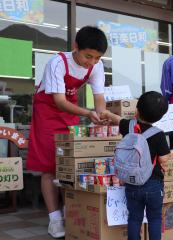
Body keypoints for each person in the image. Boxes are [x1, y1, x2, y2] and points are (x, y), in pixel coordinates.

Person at [27, 26, 108, 238]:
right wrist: (88, 114)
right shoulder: (58, 62)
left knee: (70, 163)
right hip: (48, 111)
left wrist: (102, 118)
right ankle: (54, 219)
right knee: (49, 165)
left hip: (70, 111)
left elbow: (99, 101)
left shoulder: (96, 67)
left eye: (97, 58)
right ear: (75, 47)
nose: (91, 62)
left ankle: (69, 212)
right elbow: (59, 101)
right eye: (88, 56)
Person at [101, 91, 172, 240]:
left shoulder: (128, 126)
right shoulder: (158, 134)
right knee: (155, 218)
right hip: (153, 184)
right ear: (160, 117)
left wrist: (106, 113)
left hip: (131, 182)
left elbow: (117, 119)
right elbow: (164, 159)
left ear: (137, 110)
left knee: (134, 218)